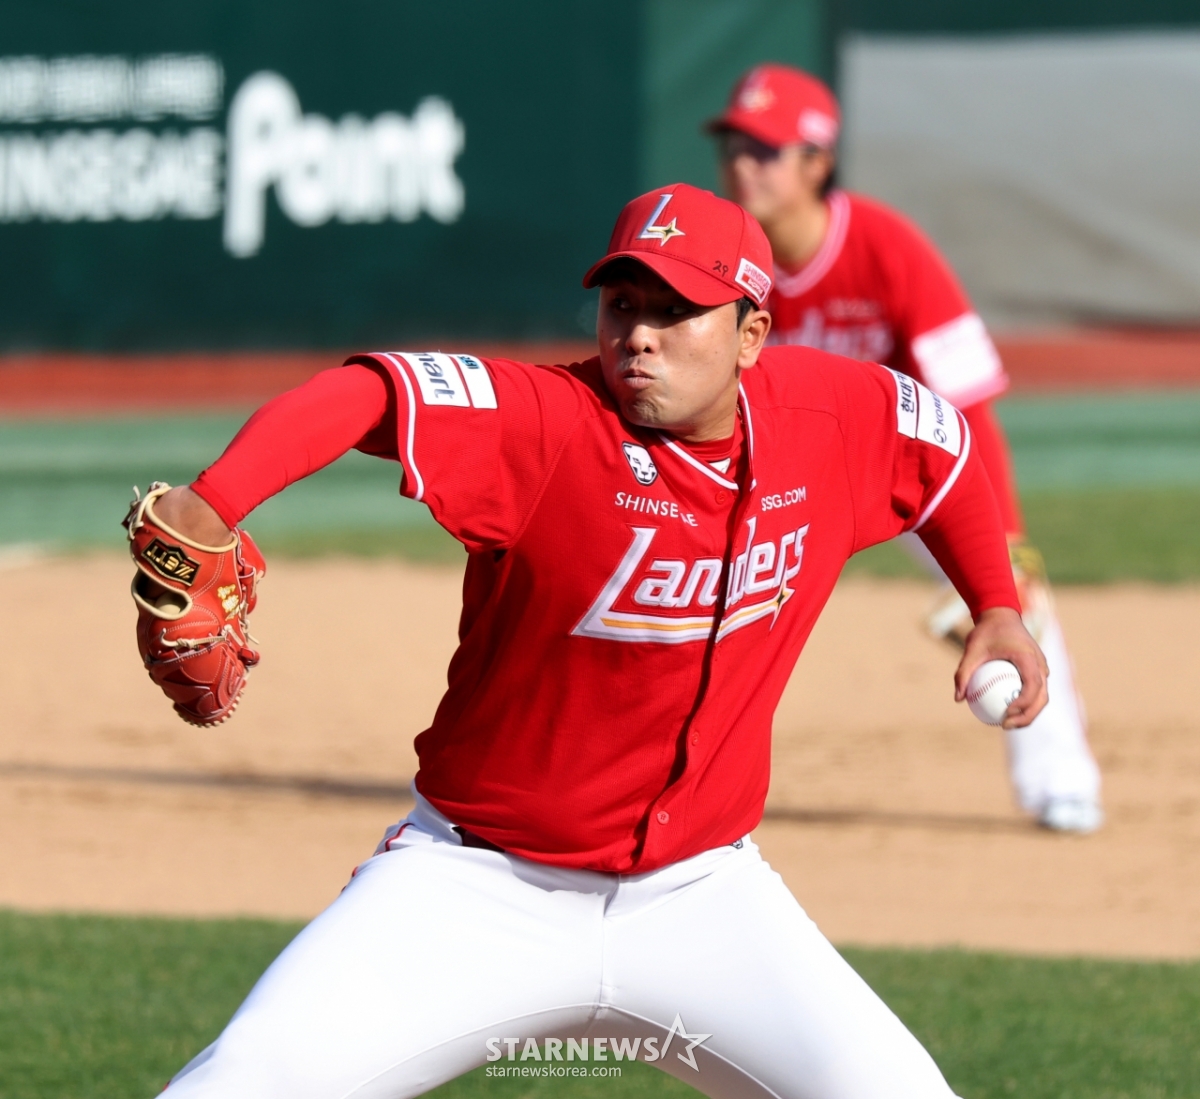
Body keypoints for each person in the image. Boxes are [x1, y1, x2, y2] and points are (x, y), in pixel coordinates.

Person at [131, 183, 1047, 1098]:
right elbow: (365, 394)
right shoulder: (546, 421)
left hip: (705, 900)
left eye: (676, 310)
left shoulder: (828, 418)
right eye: (622, 303)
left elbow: (943, 444)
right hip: (473, 890)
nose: (638, 334)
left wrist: (995, 602)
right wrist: (211, 504)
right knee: (245, 1082)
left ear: (752, 335)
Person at [708, 63, 1103, 834]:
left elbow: (969, 403)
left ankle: (1061, 780)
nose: (743, 164)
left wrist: (1005, 539)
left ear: (817, 162)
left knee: (1017, 598)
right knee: (698, 595)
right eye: (734, 146)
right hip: (782, 468)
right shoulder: (727, 259)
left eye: (765, 149)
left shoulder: (886, 248)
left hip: (904, 468)